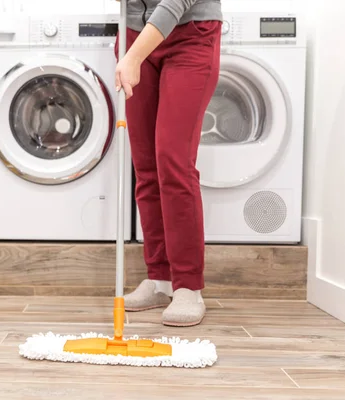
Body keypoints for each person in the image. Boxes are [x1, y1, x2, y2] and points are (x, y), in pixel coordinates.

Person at [114, 0, 222, 327]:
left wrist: (133, 56)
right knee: (146, 166)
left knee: (173, 162)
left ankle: (188, 285)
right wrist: (132, 50)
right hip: (134, 32)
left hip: (190, 35)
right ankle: (160, 280)